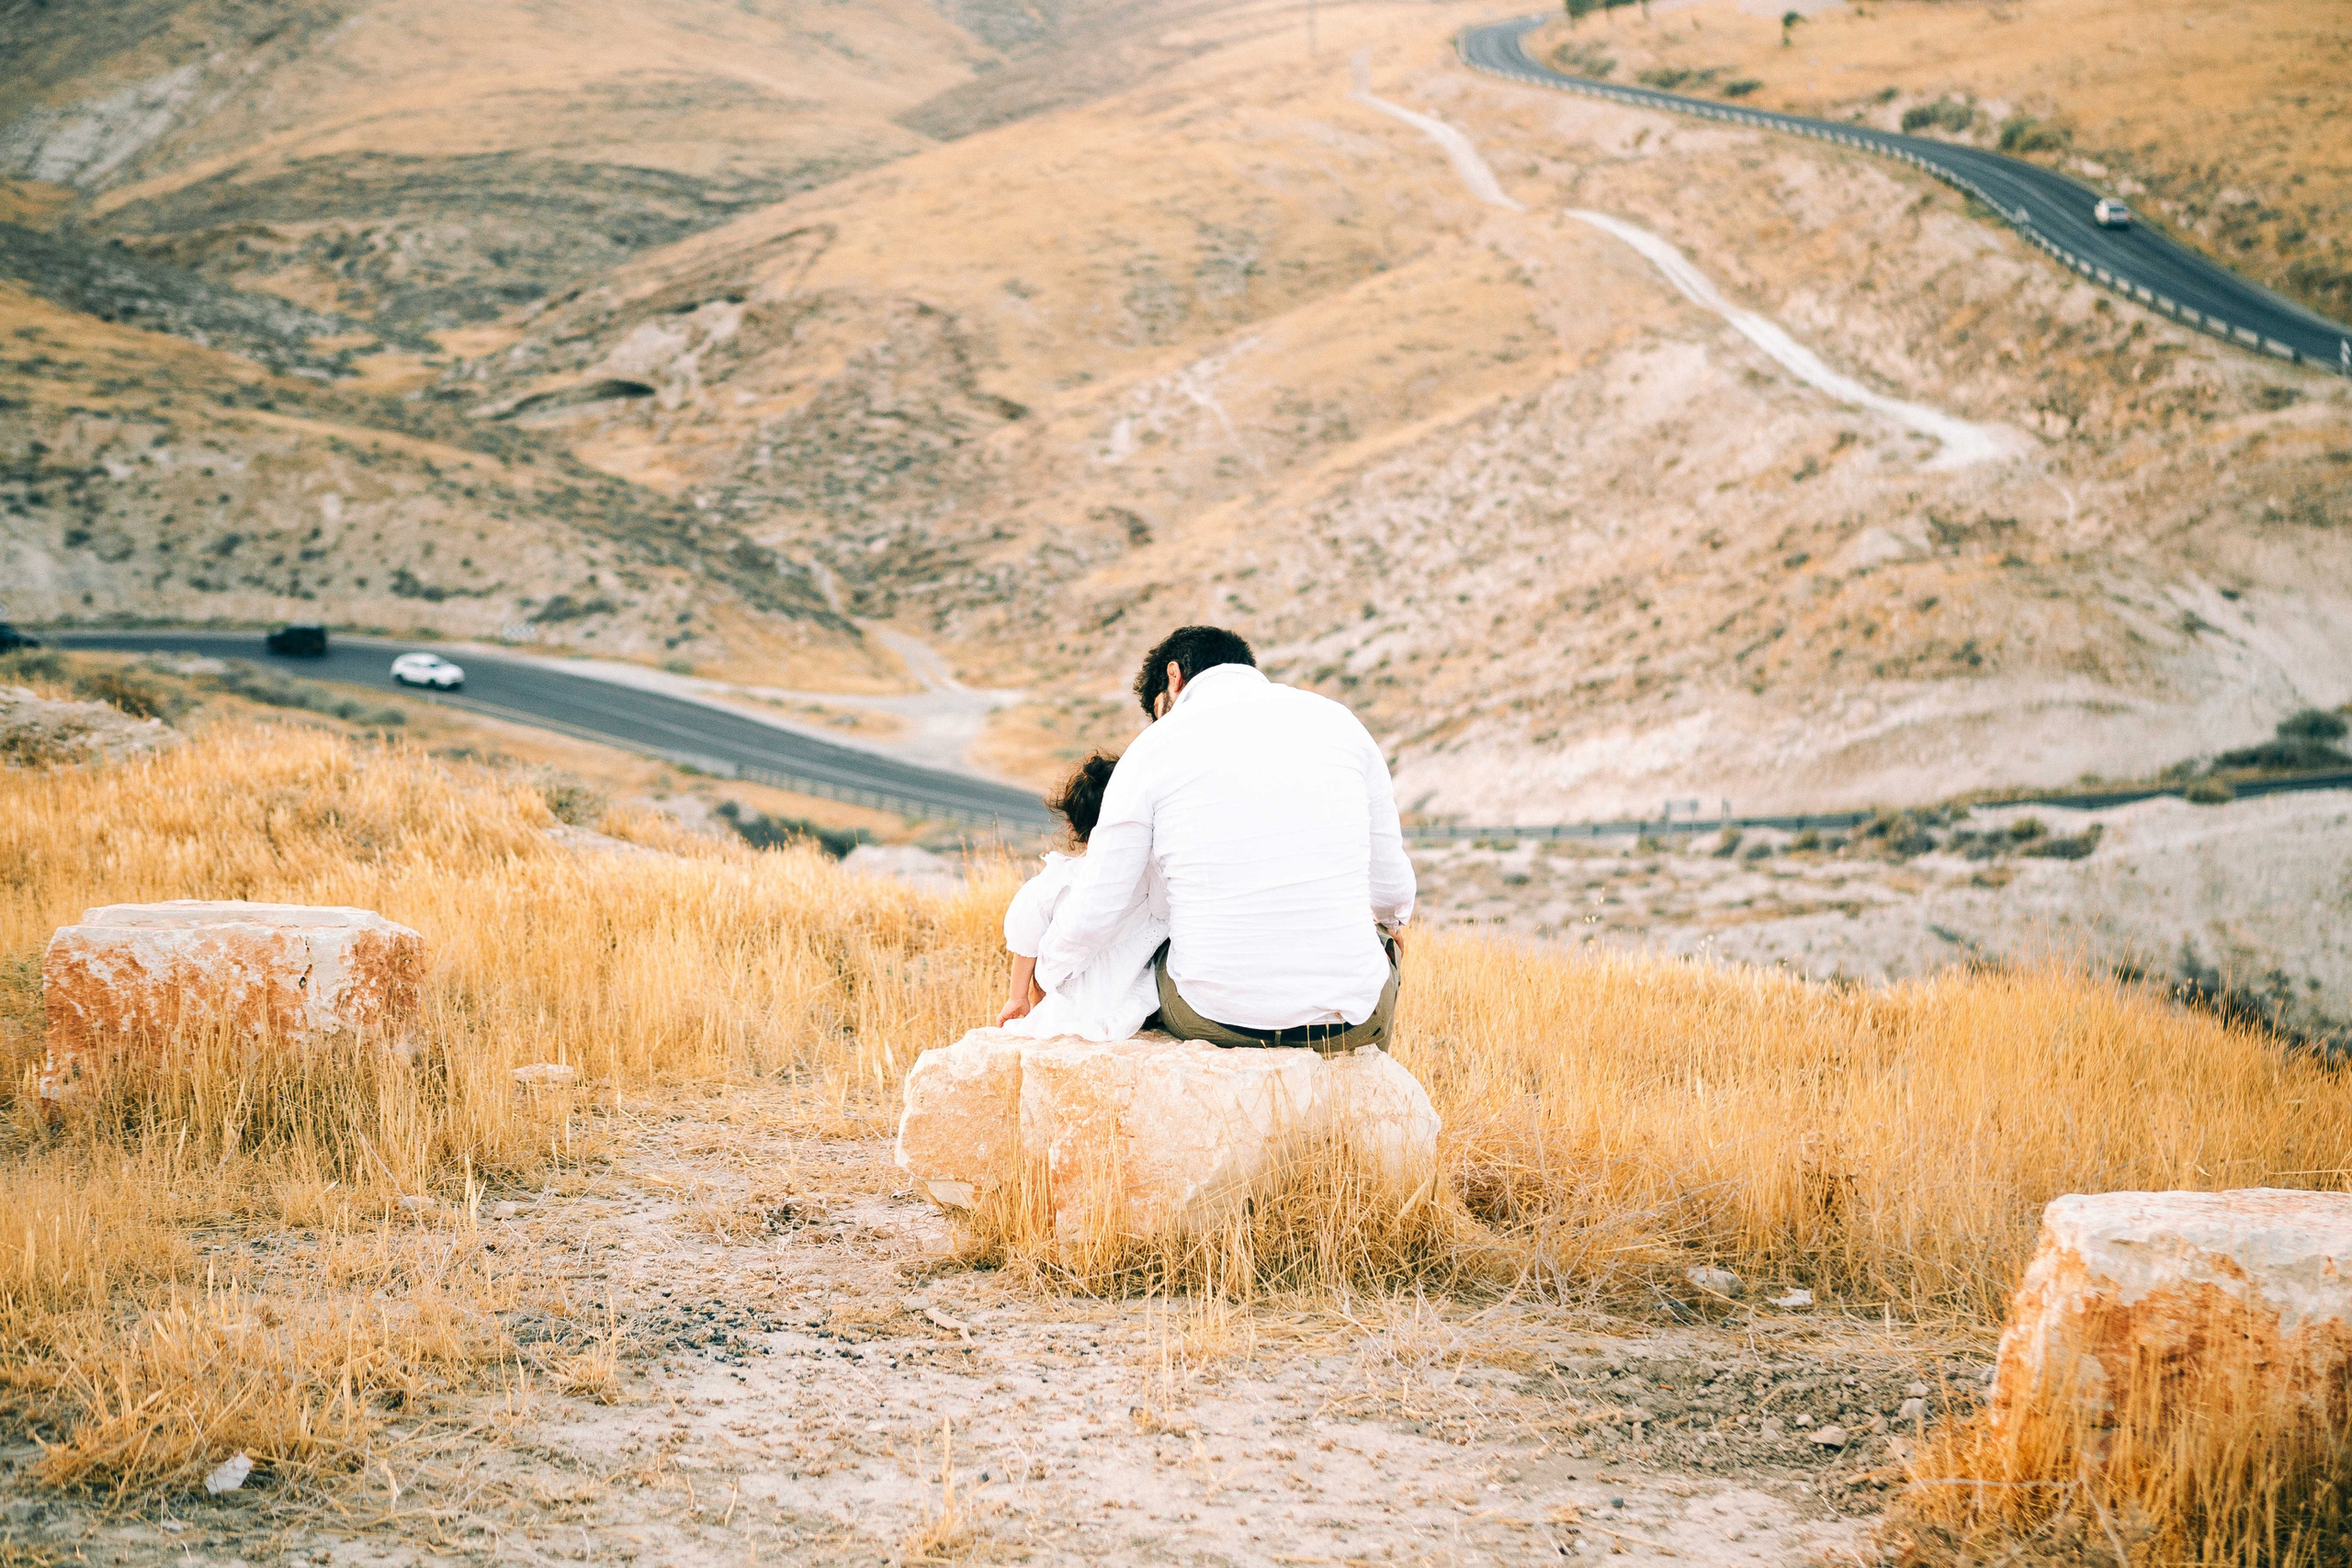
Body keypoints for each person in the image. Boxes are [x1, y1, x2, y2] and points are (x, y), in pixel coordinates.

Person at [1035, 625, 1415, 1053]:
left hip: (1213, 1019)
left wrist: (1046, 974)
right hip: (1349, 1024)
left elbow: (1099, 903)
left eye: (1159, 709)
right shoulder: (1341, 723)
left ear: (1174, 678)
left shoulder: (1153, 747)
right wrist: (1392, 921)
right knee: (1378, 948)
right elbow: (1392, 889)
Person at [997, 752, 1168, 1042]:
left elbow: (1025, 937)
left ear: (1073, 827)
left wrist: (1017, 997)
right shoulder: (1151, 875)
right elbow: (1164, 913)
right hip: (1130, 988)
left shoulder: (1057, 882)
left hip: (1067, 989)